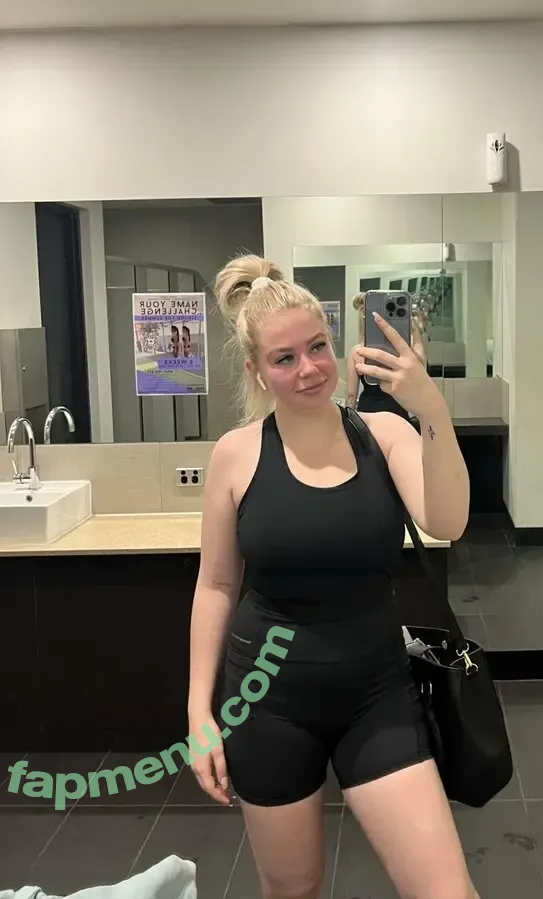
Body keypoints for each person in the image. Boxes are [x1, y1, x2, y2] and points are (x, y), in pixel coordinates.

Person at [187, 255, 477, 899]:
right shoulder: (235, 455)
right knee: (294, 891)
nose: (309, 369)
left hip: (377, 695)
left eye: (317, 347)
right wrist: (197, 712)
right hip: (266, 703)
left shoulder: (384, 434)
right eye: (284, 358)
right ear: (256, 370)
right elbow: (216, 587)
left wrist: (429, 404)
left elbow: (449, 521)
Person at [346, 291, 427, 422]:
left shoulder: (357, 352)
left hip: (368, 412)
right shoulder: (402, 351)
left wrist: (349, 424)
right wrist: (413, 327)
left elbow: (351, 396)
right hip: (396, 411)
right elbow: (420, 366)